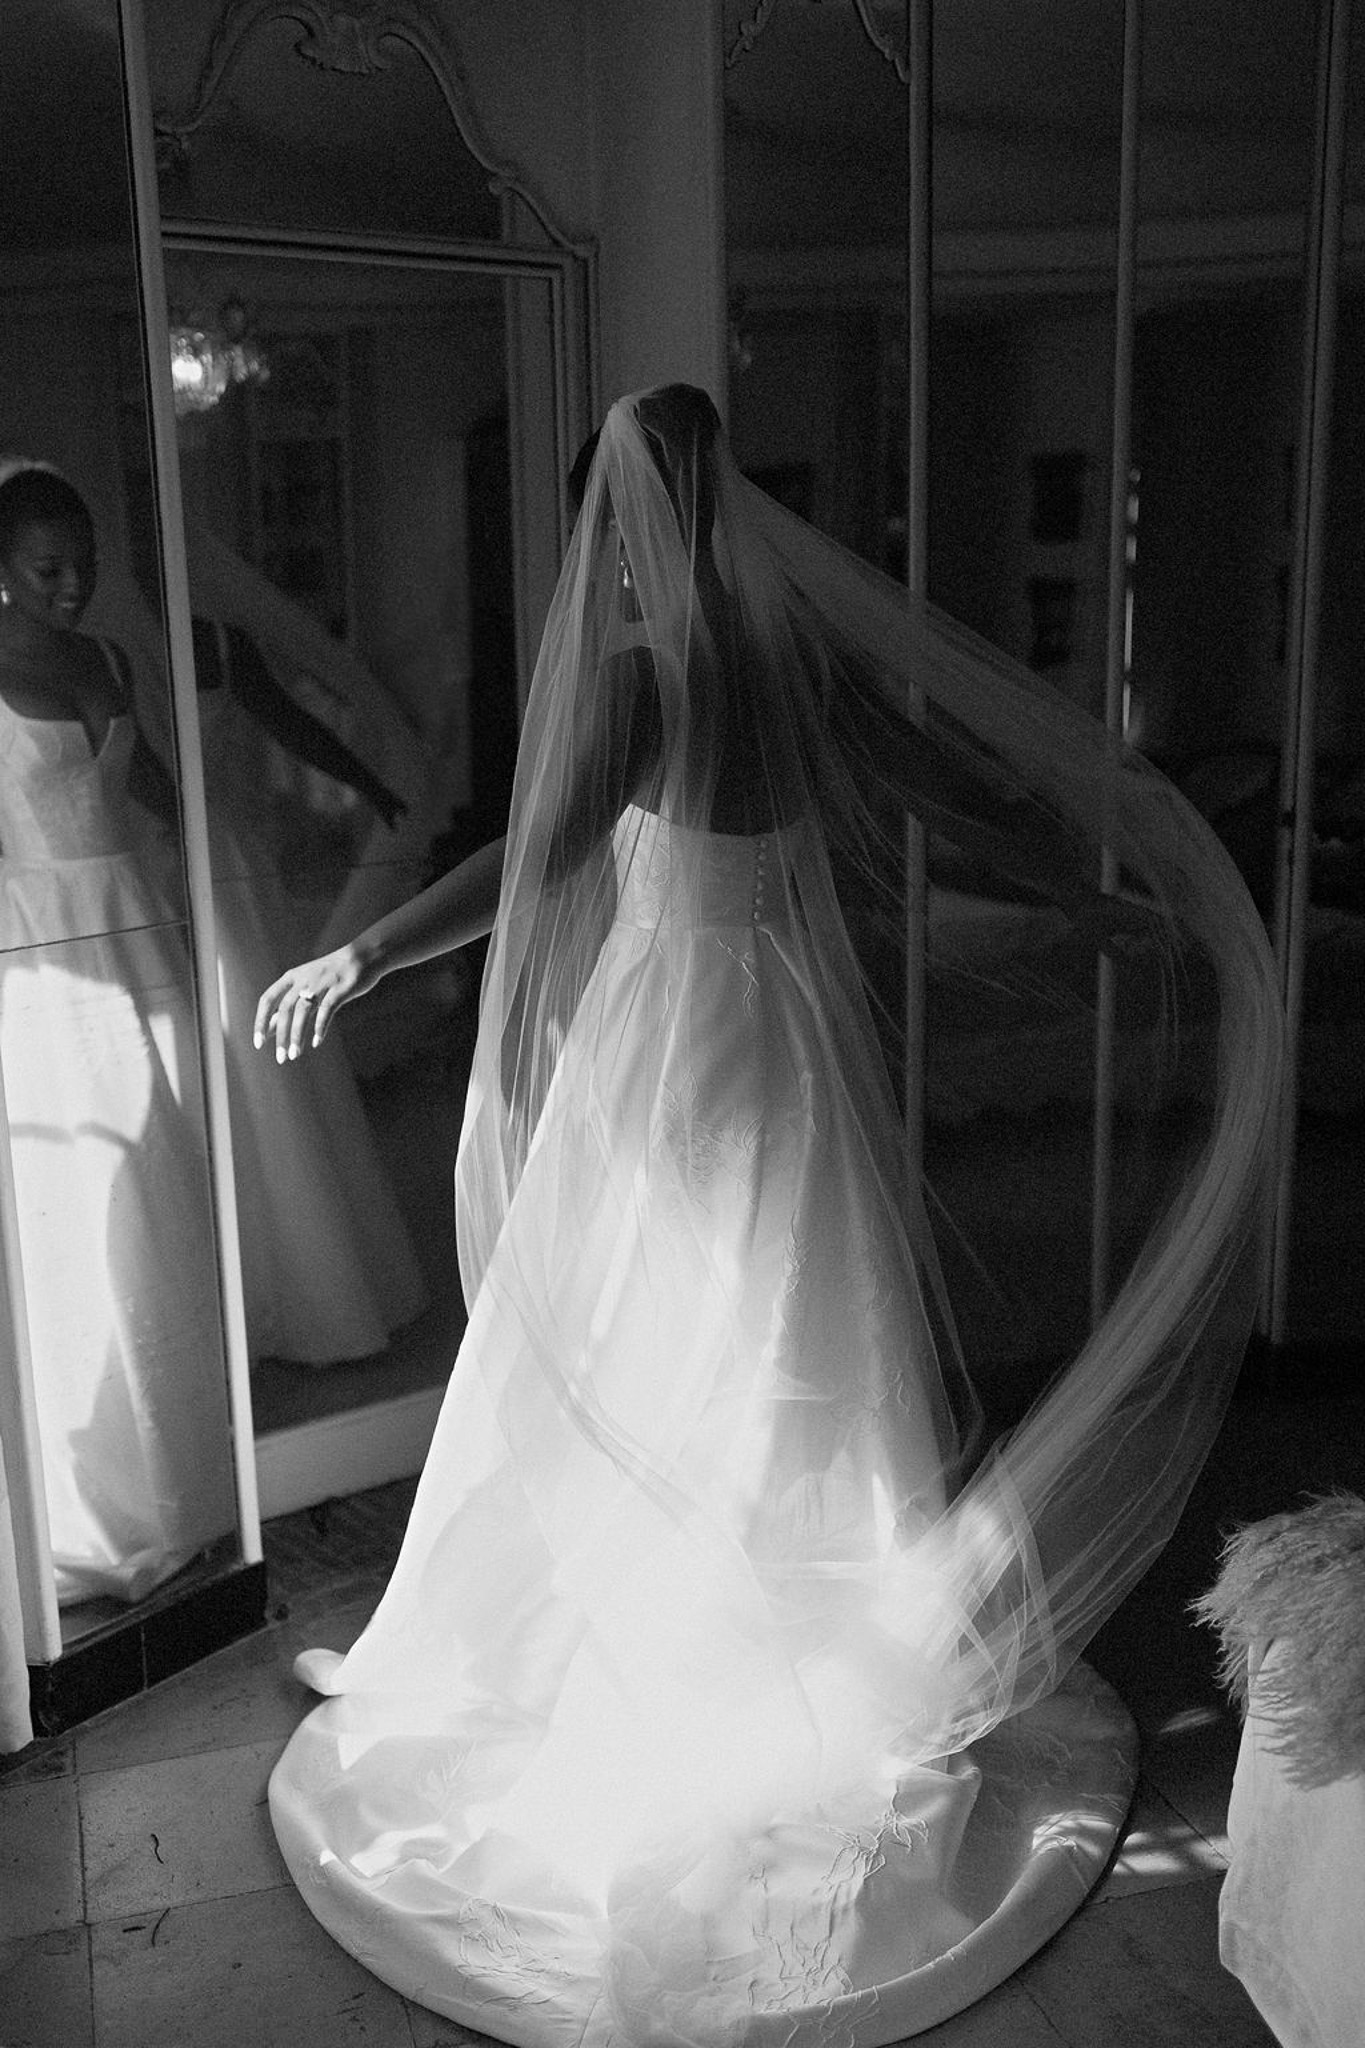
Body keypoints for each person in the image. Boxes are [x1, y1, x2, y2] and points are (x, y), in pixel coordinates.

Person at [259, 388, 1283, 2042]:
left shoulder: (647, 677)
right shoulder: (804, 662)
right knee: (789, 1328)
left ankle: (655, 1668)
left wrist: (367, 951)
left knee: (643, 1330)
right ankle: (816, 1644)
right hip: (787, 1041)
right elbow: (948, 789)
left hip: (672, 1046)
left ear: (628, 524)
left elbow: (532, 861)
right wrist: (1081, 882)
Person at [0, 459, 234, 1605]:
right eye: (47, 568)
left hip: (140, 929)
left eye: (83, 563)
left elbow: (145, 786)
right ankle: (109, 1489)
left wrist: (211, 848)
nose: (72, 585)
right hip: (45, 960)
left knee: (165, 1177)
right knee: (88, 1208)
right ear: (1, 570)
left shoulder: (107, 659)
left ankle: (195, 1468)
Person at [189, 611, 426, 1365]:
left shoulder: (221, 641)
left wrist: (365, 781)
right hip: (137, 880)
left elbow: (289, 725)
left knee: (267, 1073)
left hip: (225, 871)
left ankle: (312, 1286)